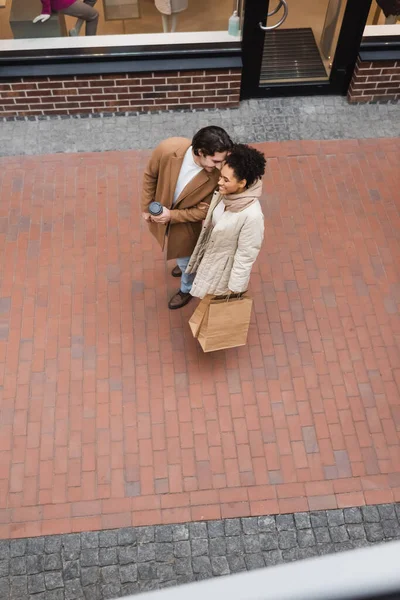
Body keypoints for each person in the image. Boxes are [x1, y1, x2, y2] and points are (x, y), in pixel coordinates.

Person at [141, 126, 233, 309]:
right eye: (215, 161)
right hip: (161, 218)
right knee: (182, 255)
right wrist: (146, 207)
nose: (220, 167)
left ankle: (187, 288)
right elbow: (150, 175)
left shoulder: (218, 176)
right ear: (200, 152)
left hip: (186, 226)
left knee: (189, 264)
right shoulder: (168, 149)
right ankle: (181, 262)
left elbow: (204, 211)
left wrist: (171, 216)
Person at [186, 144, 266, 299]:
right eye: (221, 176)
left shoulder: (253, 216)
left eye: (226, 179)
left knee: (214, 308)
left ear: (242, 183)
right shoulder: (226, 193)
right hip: (210, 255)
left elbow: (246, 255)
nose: (219, 182)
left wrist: (235, 290)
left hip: (221, 271)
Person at [34, 0, 99, 37]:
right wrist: (46, 10)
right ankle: (90, 49)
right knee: (94, 15)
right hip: (61, 2)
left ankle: (76, 29)